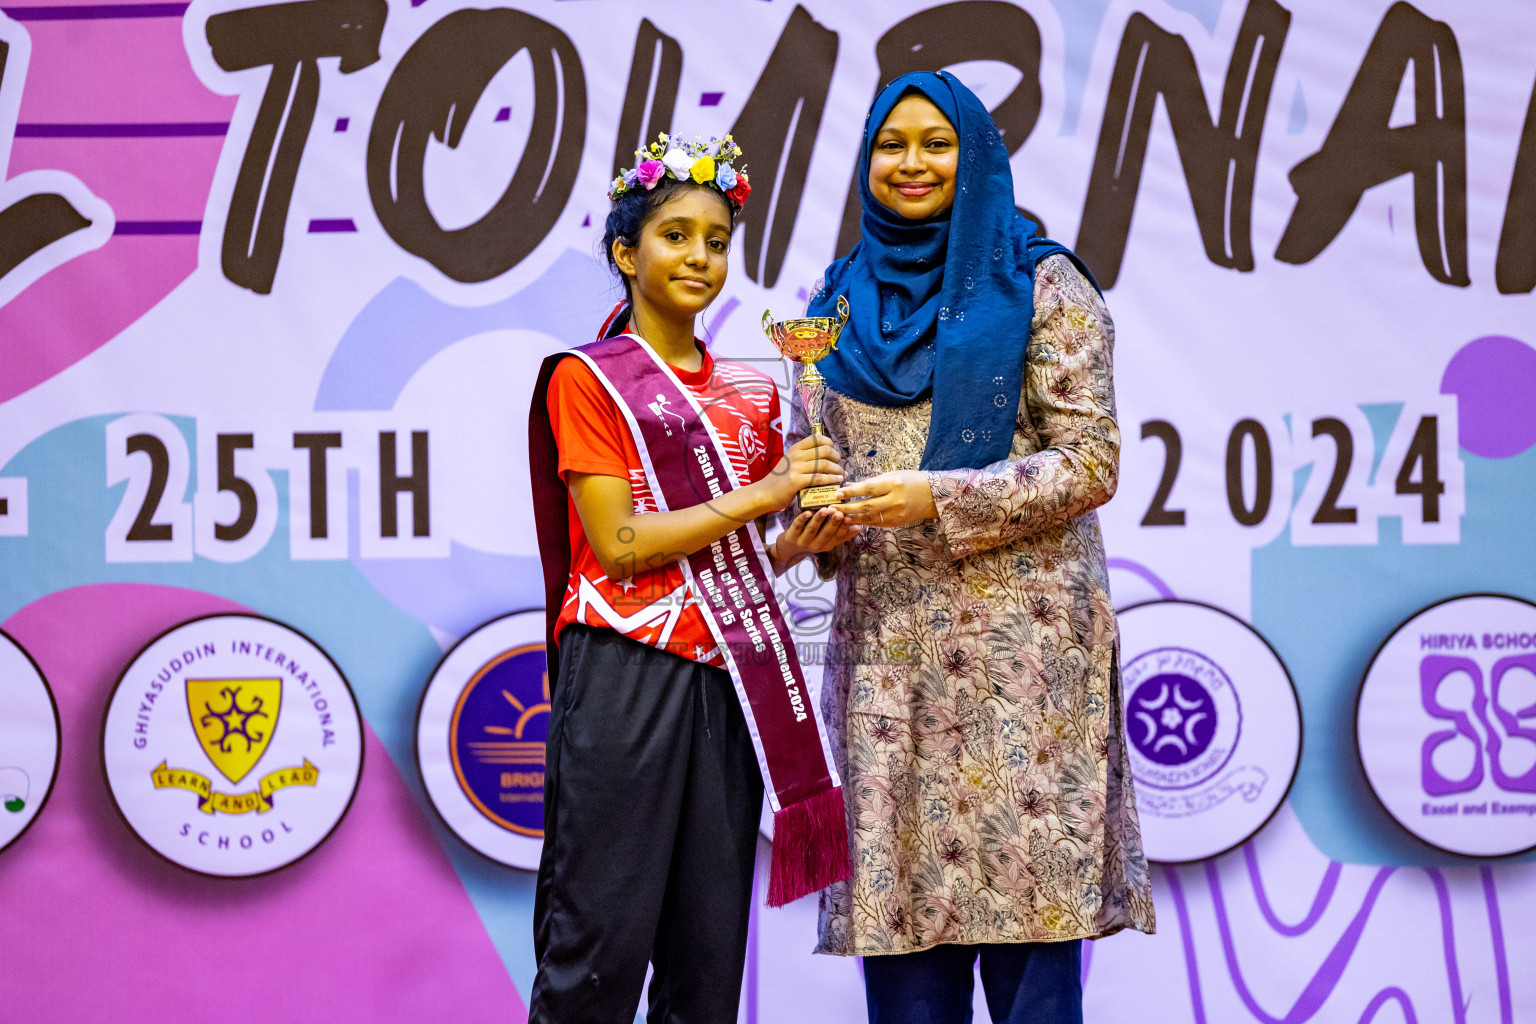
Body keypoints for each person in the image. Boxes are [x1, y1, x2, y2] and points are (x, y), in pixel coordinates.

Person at [794, 71, 1156, 1023]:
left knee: (1030, 951)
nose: (911, 163)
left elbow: (1092, 459)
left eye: (935, 143)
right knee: (907, 952)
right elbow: (820, 463)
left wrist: (936, 495)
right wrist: (818, 526)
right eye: (891, 145)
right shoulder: (836, 301)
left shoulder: (1041, 282)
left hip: (1022, 671)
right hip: (891, 669)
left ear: (977, 156)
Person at [525, 132, 859, 1024]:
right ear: (625, 254)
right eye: (674, 236)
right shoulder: (587, 380)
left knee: (706, 961)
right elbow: (624, 542)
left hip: (727, 683)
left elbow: (741, 555)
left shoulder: (755, 391)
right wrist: (771, 491)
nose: (699, 257)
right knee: (596, 951)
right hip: (624, 673)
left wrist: (800, 536)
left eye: (716, 240)